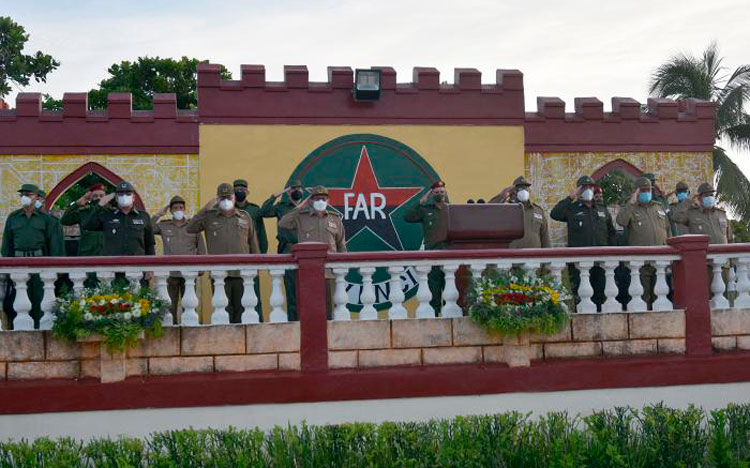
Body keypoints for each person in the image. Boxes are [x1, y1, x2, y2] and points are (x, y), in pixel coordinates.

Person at [187, 183, 260, 323]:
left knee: (242, 310)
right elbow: (190, 228)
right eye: (222, 197)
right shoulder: (209, 217)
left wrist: (256, 266)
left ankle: (240, 343)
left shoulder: (245, 217)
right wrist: (204, 209)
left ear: (234, 198)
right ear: (218, 199)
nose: (226, 200)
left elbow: (253, 242)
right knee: (223, 311)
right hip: (220, 274)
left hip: (241, 273)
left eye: (229, 197)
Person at [1, 183, 65, 328]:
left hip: (39, 262)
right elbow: (7, 243)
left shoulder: (46, 219)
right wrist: (6, 264)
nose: (25, 198)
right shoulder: (14, 217)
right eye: (22, 195)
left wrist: (56, 267)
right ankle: (20, 328)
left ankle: (40, 327)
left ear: (36, 197)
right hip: (18, 262)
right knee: (18, 297)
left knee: (39, 297)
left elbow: (54, 244)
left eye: (28, 195)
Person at [550, 175, 616, 310]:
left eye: (590, 186)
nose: (588, 189)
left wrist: (613, 256)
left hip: (601, 262)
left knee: (601, 296)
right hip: (578, 264)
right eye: (584, 187)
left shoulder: (602, 209)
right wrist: (571, 197)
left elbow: (611, 233)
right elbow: (554, 214)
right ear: (579, 190)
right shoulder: (572, 209)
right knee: (581, 297)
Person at [279, 186, 346, 317]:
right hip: (307, 274)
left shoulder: (335, 219)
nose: (320, 201)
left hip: (329, 275)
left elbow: (341, 246)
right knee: (309, 312)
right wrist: (301, 206)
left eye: (323, 198)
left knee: (329, 313)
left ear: (328, 200)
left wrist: (341, 271)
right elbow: (283, 223)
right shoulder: (301, 217)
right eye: (316, 198)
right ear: (311, 200)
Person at [82, 181, 155, 288]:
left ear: (134, 198)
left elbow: (149, 243)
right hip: (113, 270)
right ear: (116, 198)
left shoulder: (143, 217)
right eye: (120, 194)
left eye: (128, 194)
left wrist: (150, 267)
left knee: (139, 302)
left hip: (138, 269)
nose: (124, 196)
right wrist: (100, 205)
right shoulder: (107, 216)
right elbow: (87, 225)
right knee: (115, 304)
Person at [616, 176, 670, 305]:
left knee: (661, 297)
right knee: (643, 298)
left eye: (649, 190)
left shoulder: (659, 207)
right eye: (643, 190)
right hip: (641, 263)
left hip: (660, 261)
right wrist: (631, 202)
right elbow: (621, 221)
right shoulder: (631, 208)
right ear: (637, 192)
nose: (647, 193)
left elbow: (666, 229)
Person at [152, 195, 207, 322]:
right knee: (170, 306)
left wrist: (202, 266)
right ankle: (173, 329)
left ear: (185, 209)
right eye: (175, 208)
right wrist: (158, 214)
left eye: (181, 207)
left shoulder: (193, 226)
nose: (178, 210)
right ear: (171, 210)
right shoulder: (164, 226)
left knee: (189, 305)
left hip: (189, 272)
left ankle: (188, 329)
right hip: (171, 273)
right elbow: (148, 228)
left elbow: (201, 248)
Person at [259, 179, 306, 321]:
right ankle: (294, 322)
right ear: (289, 192)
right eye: (293, 189)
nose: (296, 191)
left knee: (307, 291)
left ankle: (306, 321)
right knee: (291, 290)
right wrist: (276, 195)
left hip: (306, 250)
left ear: (302, 191)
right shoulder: (281, 207)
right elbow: (264, 212)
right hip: (288, 250)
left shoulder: (307, 207)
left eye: (298, 188)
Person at [404, 180, 449, 312]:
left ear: (446, 193)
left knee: (450, 291)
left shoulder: (451, 210)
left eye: (442, 192)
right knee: (434, 291)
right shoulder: (426, 210)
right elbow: (407, 217)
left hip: (449, 255)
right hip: (433, 255)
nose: (439, 194)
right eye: (436, 192)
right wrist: (420, 202)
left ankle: (449, 318)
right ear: (431, 194)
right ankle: (435, 319)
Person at [61, 183, 107, 289]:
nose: (98, 198)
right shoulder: (83, 213)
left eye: (101, 196)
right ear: (90, 197)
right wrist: (77, 204)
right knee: (86, 290)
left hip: (106, 256)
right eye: (95, 196)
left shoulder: (110, 213)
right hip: (87, 256)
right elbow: (64, 220)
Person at [233, 179, 268, 320]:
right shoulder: (227, 209)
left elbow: (261, 235)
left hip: (251, 258)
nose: (240, 191)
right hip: (234, 257)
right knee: (235, 295)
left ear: (247, 191)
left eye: (242, 189)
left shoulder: (254, 210)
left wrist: (260, 256)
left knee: (254, 293)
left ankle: (257, 322)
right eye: (237, 188)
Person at [490, 176, 550, 248]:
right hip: (513, 255)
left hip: (534, 256)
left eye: (526, 188)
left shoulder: (537, 210)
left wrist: (547, 256)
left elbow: (545, 236)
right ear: (514, 191)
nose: (524, 191)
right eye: (520, 188)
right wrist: (502, 196)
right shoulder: (507, 209)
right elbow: (489, 210)